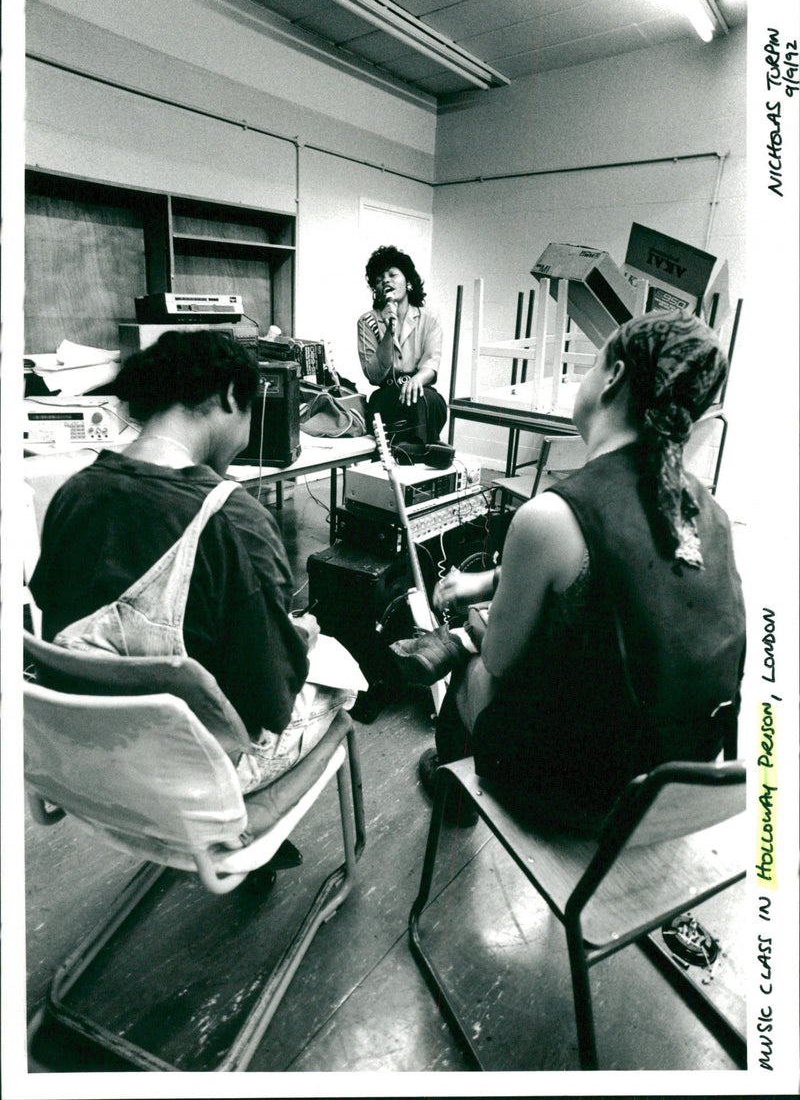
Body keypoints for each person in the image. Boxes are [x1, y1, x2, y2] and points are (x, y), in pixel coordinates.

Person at [392, 309, 746, 831]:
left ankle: (454, 797)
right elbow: (620, 577)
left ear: (613, 377)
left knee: (475, 667)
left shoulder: (549, 517)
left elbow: (501, 661)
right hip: (683, 791)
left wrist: (483, 625)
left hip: (587, 799)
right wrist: (489, 581)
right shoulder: (707, 512)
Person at [30, 329, 357, 801]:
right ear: (229, 395)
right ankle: (244, 837)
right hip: (189, 778)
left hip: (83, 759)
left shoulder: (73, 493)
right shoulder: (237, 520)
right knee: (340, 676)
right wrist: (298, 640)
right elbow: (270, 703)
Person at [357, 245, 448, 454]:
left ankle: (411, 452)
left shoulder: (429, 318)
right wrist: (389, 330)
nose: (386, 281)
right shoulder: (367, 321)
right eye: (379, 279)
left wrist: (417, 380)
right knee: (406, 405)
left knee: (427, 400)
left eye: (392, 275)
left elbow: (431, 364)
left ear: (408, 283)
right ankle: (426, 453)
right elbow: (374, 375)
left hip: (421, 392)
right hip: (386, 397)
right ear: (376, 290)